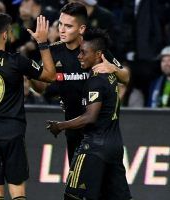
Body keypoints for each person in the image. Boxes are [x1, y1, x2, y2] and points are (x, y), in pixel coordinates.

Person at [0, 13, 55, 199]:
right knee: (18, 194)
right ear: (5, 34)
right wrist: (43, 43)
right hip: (12, 133)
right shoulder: (17, 61)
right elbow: (50, 76)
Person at [31, 2, 130, 164]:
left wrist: (113, 68)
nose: (62, 30)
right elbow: (41, 88)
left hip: (100, 132)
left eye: (68, 26)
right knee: (79, 184)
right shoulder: (53, 51)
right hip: (74, 130)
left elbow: (125, 78)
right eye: (61, 24)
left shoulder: (93, 50)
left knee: (98, 186)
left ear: (82, 29)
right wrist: (30, 73)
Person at [47, 28, 131, 200]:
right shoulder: (110, 76)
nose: (79, 56)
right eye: (79, 52)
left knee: (73, 195)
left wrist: (60, 126)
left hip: (93, 147)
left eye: (84, 53)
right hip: (114, 146)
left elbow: (90, 117)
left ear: (99, 54)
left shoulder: (95, 80)